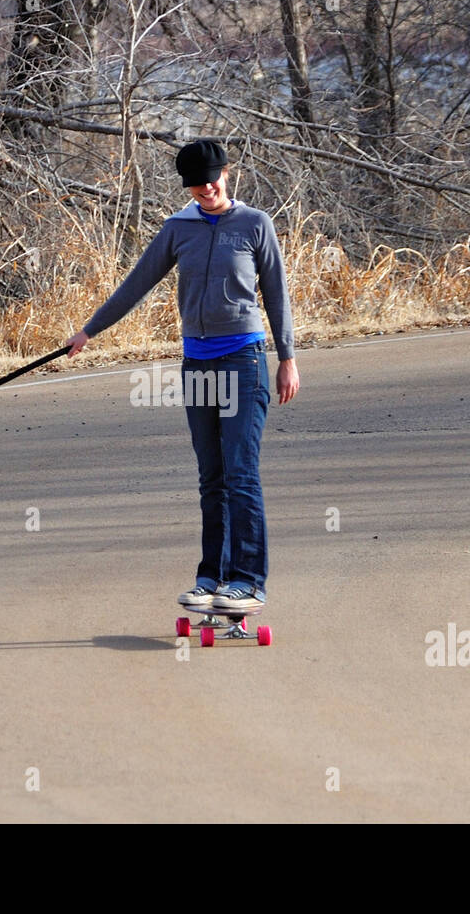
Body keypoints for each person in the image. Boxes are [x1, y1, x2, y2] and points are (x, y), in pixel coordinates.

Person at [66, 139, 300, 614]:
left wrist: (287, 358)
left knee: (240, 473)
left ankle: (248, 580)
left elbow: (276, 294)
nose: (206, 189)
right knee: (211, 477)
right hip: (197, 363)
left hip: (244, 360)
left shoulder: (255, 225)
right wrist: (88, 331)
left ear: (227, 174)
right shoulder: (179, 228)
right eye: (196, 184)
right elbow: (136, 282)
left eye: (212, 179)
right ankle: (211, 576)